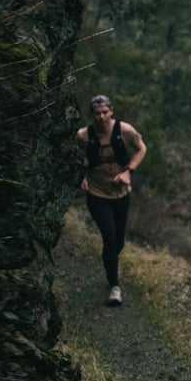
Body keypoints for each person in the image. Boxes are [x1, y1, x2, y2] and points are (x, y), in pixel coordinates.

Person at [77, 94, 146, 306]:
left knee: (118, 241)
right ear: (92, 115)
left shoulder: (124, 131)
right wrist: (80, 177)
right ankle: (114, 286)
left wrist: (128, 172)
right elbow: (71, 156)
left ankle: (110, 261)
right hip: (97, 193)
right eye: (97, 113)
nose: (101, 117)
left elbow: (142, 148)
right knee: (109, 236)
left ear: (111, 112)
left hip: (121, 193)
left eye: (105, 112)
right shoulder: (83, 136)